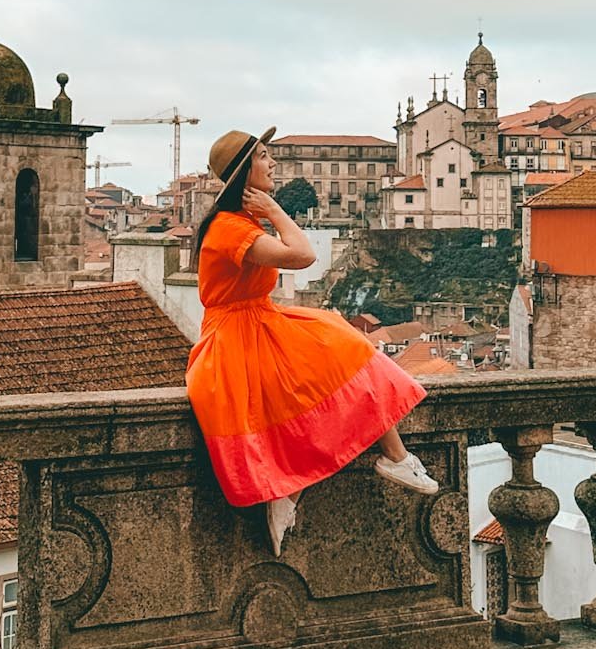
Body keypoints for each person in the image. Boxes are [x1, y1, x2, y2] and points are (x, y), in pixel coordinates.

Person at [185, 127, 438, 557]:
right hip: (235, 335)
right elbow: (303, 256)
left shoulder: (240, 222)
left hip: (259, 322)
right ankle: (370, 466)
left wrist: (267, 209)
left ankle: (385, 461)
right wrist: (277, 210)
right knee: (338, 356)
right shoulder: (230, 228)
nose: (273, 163)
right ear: (245, 172)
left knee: (343, 350)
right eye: (264, 157)